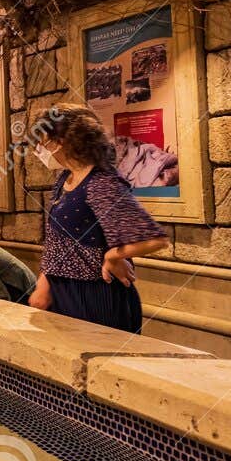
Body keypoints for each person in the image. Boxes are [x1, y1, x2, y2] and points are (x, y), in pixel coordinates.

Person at [29, 104, 170, 333]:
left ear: (62, 140)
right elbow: (56, 240)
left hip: (96, 295)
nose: (39, 149)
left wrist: (113, 256)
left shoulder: (101, 183)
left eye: (44, 142)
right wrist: (44, 283)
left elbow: (154, 239)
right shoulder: (65, 179)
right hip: (63, 292)